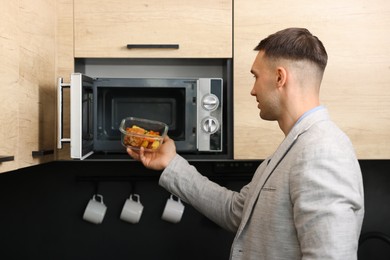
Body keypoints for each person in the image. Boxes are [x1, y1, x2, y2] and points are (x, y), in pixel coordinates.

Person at [127, 27, 365, 259]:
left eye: (256, 76)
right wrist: (171, 163)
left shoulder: (323, 151)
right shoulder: (296, 147)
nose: (252, 90)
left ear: (280, 77)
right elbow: (237, 211)